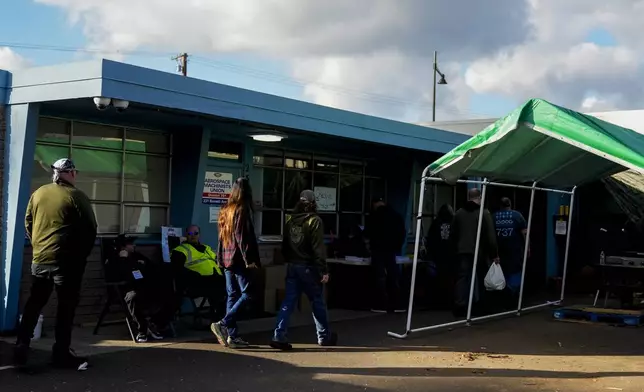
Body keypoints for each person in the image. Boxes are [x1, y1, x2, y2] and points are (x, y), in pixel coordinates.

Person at [14, 158, 97, 371]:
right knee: (65, 307)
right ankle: (61, 354)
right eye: (74, 172)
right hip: (66, 262)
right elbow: (90, 229)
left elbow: (28, 222)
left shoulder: (39, 193)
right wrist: (82, 256)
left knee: (35, 302)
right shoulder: (76, 196)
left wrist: (38, 246)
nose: (76, 175)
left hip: (40, 259)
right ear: (69, 173)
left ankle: (22, 343)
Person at [270, 190, 337, 350]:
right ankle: (324, 336)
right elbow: (318, 249)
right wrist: (323, 270)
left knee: (288, 301)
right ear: (313, 203)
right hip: (309, 267)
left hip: (292, 266)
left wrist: (290, 260)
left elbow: (284, 246)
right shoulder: (315, 221)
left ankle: (278, 335)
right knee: (317, 301)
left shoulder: (290, 220)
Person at [210, 177, 260, 349]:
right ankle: (223, 324)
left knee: (232, 295)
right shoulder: (242, 209)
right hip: (239, 259)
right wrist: (250, 260)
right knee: (249, 293)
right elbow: (242, 237)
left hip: (226, 259)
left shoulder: (225, 209)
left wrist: (219, 258)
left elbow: (221, 238)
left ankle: (232, 336)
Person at [107, 235, 171, 343]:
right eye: (130, 244)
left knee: (168, 293)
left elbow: (151, 267)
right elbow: (114, 275)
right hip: (127, 289)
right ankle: (142, 330)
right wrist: (124, 259)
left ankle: (155, 323)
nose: (134, 245)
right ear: (123, 247)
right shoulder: (114, 259)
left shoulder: (136, 255)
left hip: (144, 286)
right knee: (133, 297)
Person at [451, 188, 498, 317]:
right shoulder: (484, 213)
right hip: (479, 251)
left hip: (462, 251)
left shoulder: (459, 213)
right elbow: (490, 236)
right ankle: (481, 306)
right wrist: (494, 254)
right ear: (479, 197)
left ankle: (460, 305)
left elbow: (453, 234)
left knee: (462, 278)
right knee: (482, 278)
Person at [171, 224, 224, 323]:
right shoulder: (181, 250)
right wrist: (195, 276)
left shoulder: (206, 248)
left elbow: (218, 261)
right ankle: (217, 318)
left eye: (195, 233)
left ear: (199, 235)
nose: (193, 235)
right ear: (186, 234)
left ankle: (222, 316)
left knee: (230, 285)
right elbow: (178, 269)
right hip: (196, 283)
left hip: (215, 279)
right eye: (190, 233)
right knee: (219, 289)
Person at [365, 197, 407, 313]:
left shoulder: (374, 216)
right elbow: (402, 233)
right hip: (391, 249)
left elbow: (368, 232)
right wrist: (397, 246)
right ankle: (398, 304)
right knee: (393, 275)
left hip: (378, 249)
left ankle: (381, 304)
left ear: (375, 204)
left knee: (380, 276)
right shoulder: (396, 215)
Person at [494, 197, 528, 296]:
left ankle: (504, 292)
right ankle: (512, 292)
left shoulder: (493, 216)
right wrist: (527, 247)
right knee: (515, 272)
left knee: (502, 271)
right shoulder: (517, 215)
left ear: (500, 205)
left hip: (499, 250)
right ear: (510, 204)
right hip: (515, 250)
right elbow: (524, 234)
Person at [425, 204, 455, 309]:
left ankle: (437, 301)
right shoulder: (454, 222)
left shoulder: (436, 223)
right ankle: (448, 301)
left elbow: (430, 240)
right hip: (451, 255)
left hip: (438, 255)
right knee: (450, 279)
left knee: (438, 279)